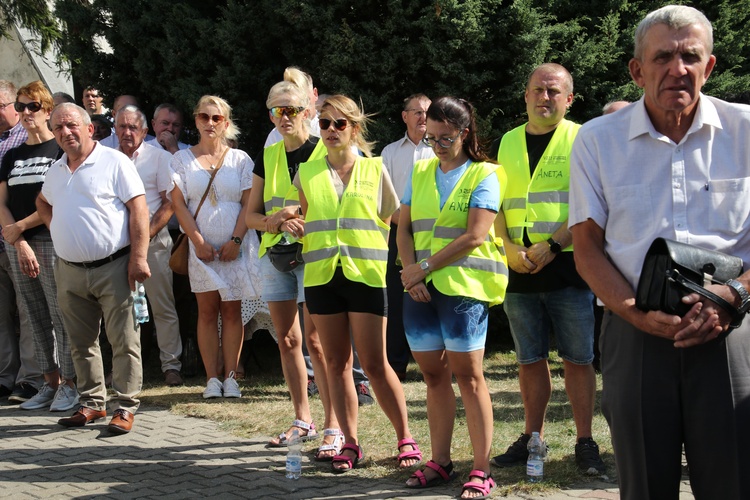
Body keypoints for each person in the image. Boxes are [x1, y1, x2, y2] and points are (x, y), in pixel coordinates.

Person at [569, 5, 750, 499]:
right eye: (664, 56)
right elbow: (586, 248)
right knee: (646, 485)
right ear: (637, 69)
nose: (679, 69)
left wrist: (732, 293)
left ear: (709, 66)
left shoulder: (746, 130)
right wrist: (635, 314)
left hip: (731, 328)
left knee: (734, 480)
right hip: (635, 331)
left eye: (691, 56)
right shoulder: (597, 140)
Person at [295, 94, 421, 473]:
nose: (331, 131)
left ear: (354, 128)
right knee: (335, 364)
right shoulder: (306, 172)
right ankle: (350, 443)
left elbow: (393, 220)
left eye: (340, 124)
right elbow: (305, 222)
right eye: (324, 124)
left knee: (376, 364)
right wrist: (288, 223)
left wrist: (412, 261)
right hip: (321, 278)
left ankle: (405, 437)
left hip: (365, 276)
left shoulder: (374, 169)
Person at [491, 63, 605, 474]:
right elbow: (495, 205)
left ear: (569, 99)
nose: (545, 97)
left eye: (554, 91)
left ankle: (585, 440)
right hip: (519, 266)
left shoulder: (583, 138)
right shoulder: (505, 142)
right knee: (529, 359)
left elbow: (591, 201)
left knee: (578, 359)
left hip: (570, 264)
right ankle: (531, 436)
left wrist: (553, 244)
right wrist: (506, 247)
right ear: (525, 95)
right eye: (538, 90)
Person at [398, 96, 506, 499]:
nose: (438, 146)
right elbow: (404, 229)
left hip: (464, 290)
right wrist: (411, 275)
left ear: (464, 133)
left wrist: (422, 268)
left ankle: (481, 468)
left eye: (446, 138)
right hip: (420, 290)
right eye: (432, 138)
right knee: (433, 376)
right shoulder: (421, 171)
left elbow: (475, 235)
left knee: (469, 377)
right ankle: (440, 461)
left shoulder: (486, 174)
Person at [37, 103, 150, 434]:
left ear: (89, 128)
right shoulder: (56, 171)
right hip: (70, 270)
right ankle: (92, 403)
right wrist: (56, 226)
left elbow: (139, 210)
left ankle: (126, 406)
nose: (65, 132)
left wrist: (139, 257)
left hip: (114, 266)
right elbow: (42, 202)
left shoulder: (114, 162)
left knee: (124, 339)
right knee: (80, 342)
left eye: (71, 125)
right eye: (58, 128)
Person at [246, 80, 344, 456]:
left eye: (291, 109)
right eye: (276, 110)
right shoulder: (267, 156)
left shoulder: (325, 149)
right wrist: (275, 220)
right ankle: (303, 419)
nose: (283, 117)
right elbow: (250, 217)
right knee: (287, 340)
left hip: (316, 256)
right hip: (276, 258)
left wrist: (301, 219)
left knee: (318, 343)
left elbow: (341, 207)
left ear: (307, 110)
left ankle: (334, 424)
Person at [170, 95, 260, 399]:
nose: (210, 123)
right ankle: (212, 379)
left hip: (235, 247)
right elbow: (178, 204)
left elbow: (249, 202)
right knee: (206, 312)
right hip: (202, 250)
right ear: (195, 120)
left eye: (217, 118)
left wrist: (236, 240)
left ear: (226, 122)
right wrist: (197, 242)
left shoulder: (241, 159)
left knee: (232, 311)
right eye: (204, 117)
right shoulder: (181, 160)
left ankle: (231, 376)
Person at [0, 81, 78, 412]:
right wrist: (16, 239)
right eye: (20, 107)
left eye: (33, 106)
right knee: (34, 315)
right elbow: (2, 201)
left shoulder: (58, 151)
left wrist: (21, 228)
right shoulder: (14, 154)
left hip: (49, 239)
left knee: (60, 315)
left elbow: (57, 200)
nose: (26, 113)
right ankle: (49, 383)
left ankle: (72, 385)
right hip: (17, 245)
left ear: (47, 110)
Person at [115, 105, 183, 386]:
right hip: (116, 249)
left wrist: (146, 236)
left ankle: (171, 366)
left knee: (162, 306)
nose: (127, 132)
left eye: (133, 127)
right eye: (122, 127)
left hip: (154, 243)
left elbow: (170, 202)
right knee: (119, 309)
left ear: (145, 130)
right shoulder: (107, 159)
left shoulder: (158, 158)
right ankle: (125, 371)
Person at [380, 93, 435, 381]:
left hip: (432, 233)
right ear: (405, 116)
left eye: (427, 112)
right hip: (395, 230)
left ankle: (433, 363)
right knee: (396, 297)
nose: (423, 117)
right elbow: (383, 199)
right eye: (417, 112)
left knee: (433, 292)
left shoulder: (439, 148)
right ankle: (397, 365)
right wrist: (402, 220)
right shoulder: (389, 152)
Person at [0, 79, 40, 404]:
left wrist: (18, 231)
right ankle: (5, 377)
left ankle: (30, 379)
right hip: (3, 237)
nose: (0, 112)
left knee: (29, 311)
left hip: (21, 239)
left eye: (3, 105)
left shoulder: (22, 142)